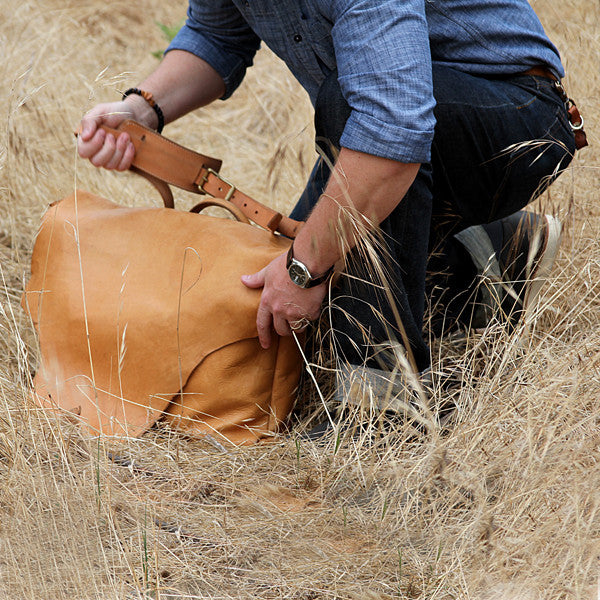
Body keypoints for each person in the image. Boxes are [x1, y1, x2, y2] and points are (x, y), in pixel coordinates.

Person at [77, 1, 580, 424]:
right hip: (389, 127)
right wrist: (144, 108)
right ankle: (492, 255)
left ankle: (381, 411)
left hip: (519, 119)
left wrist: (305, 267)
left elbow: (391, 129)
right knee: (274, 323)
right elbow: (215, 34)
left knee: (313, 260)